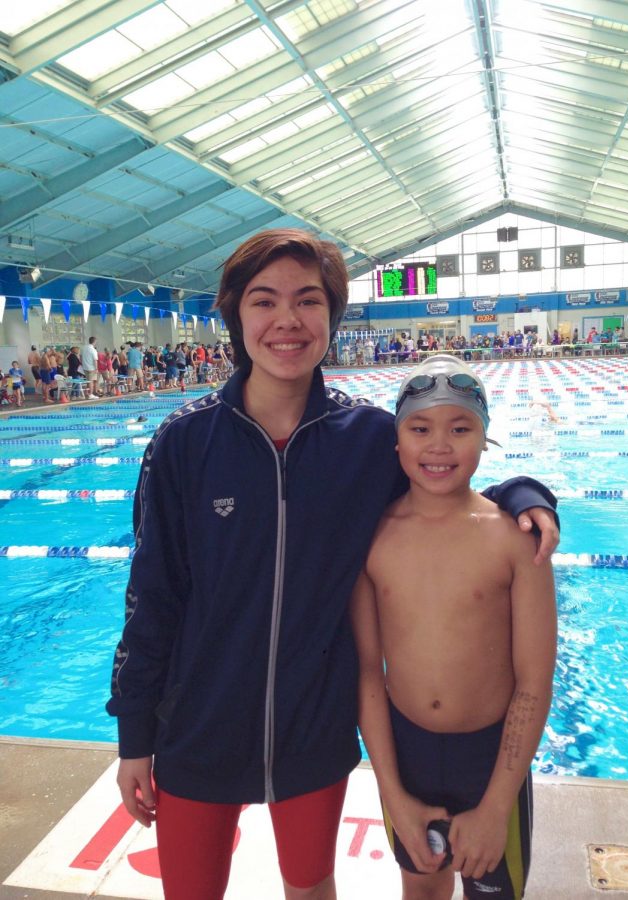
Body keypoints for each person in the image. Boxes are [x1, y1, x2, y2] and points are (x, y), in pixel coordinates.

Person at [106, 229, 559, 900]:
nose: (286, 321)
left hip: (311, 731)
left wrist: (524, 495)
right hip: (195, 726)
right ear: (234, 315)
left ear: (331, 316)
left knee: (311, 885)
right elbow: (152, 595)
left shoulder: (367, 438)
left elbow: (442, 487)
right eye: (264, 301)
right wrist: (135, 735)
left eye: (307, 301)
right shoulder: (184, 441)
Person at [351, 355, 557, 900]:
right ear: (398, 443)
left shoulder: (515, 540)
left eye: (460, 428)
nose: (439, 446)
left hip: (493, 764)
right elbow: (369, 672)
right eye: (420, 429)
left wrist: (495, 807)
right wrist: (391, 792)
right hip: (407, 753)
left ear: (484, 439)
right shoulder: (372, 539)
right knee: (419, 892)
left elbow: (534, 682)